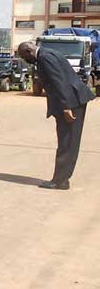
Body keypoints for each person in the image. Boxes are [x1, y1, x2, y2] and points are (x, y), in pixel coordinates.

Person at [18, 42, 95, 190]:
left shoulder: (44, 58)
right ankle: (62, 179)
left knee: (67, 142)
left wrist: (66, 107)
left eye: (23, 56)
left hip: (70, 102)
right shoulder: (49, 52)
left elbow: (59, 81)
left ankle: (60, 181)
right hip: (74, 100)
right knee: (69, 141)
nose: (25, 60)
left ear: (29, 51)